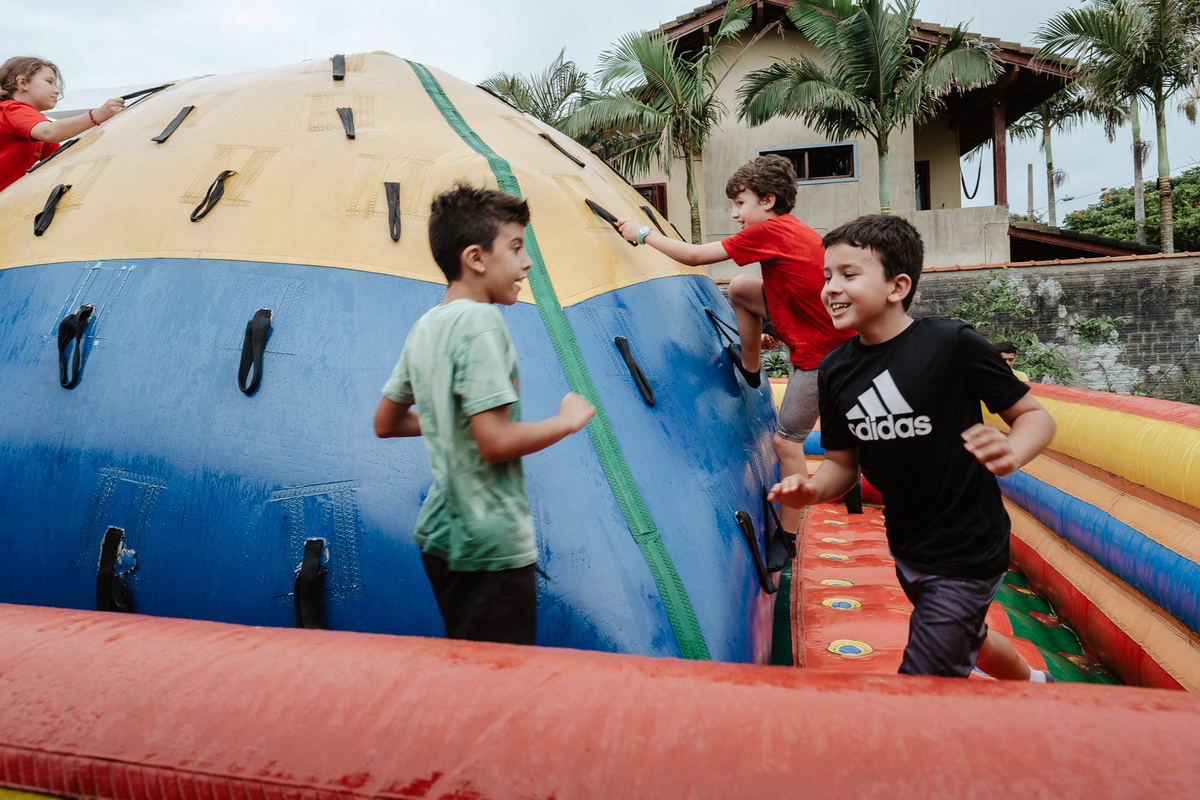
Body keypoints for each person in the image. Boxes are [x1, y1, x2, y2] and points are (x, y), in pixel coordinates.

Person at [769, 214, 1058, 682]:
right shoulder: (836, 370)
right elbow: (844, 463)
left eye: (848, 274)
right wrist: (813, 490)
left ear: (897, 286)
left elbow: (1035, 417)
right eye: (826, 277)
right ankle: (1030, 683)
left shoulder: (951, 344)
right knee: (967, 632)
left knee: (923, 679)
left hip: (969, 542)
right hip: (907, 543)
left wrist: (1012, 451)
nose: (830, 289)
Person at [374, 183, 595, 645]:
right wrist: (565, 421)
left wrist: (445, 421)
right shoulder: (480, 322)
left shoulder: (428, 324)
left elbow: (387, 422)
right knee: (499, 683)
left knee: (470, 665)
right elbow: (493, 442)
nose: (526, 263)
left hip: (441, 535)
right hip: (490, 543)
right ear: (476, 258)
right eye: (515, 248)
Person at [616, 154, 853, 569]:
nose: (735, 213)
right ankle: (750, 366)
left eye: (740, 204)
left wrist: (642, 233)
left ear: (767, 200)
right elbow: (795, 293)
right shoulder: (791, 232)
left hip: (822, 358)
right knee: (743, 288)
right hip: (816, 335)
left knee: (786, 441)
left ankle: (790, 534)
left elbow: (692, 256)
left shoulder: (773, 230)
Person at [0, 56, 125, 193]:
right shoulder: (12, 109)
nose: (57, 90)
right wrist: (98, 115)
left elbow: (60, 162)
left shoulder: (37, 128)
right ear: (23, 83)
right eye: (49, 81)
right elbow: (50, 132)